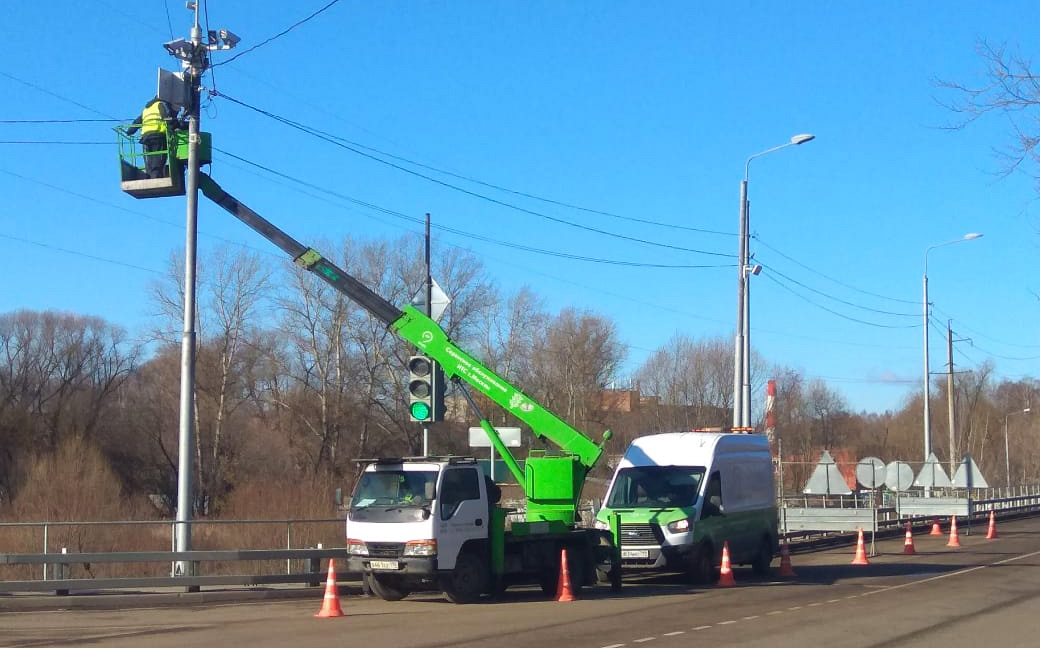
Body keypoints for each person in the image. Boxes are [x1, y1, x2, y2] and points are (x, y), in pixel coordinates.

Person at [126, 97, 180, 179]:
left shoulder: (146, 109)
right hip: (158, 136)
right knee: (158, 161)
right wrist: (176, 126)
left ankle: (149, 176)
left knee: (149, 162)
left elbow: (137, 122)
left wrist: (129, 131)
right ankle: (156, 177)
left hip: (145, 138)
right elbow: (167, 118)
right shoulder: (161, 104)